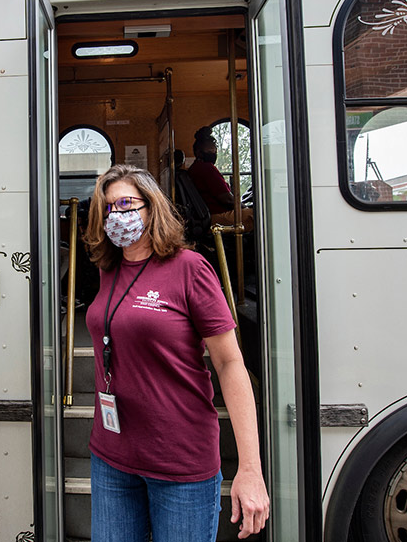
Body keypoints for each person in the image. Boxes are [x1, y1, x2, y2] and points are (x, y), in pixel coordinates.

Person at [82, 164, 269, 542]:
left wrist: (250, 468)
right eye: (107, 208)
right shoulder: (108, 269)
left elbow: (230, 363)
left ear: (151, 207)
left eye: (126, 203)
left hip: (180, 461)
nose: (117, 215)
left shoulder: (189, 269)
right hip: (112, 457)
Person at [187, 126, 254, 232]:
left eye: (214, 150)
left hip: (210, 216)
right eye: (210, 150)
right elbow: (227, 199)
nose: (213, 153)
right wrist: (244, 207)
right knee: (259, 214)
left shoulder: (194, 169)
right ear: (198, 152)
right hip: (218, 217)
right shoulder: (207, 169)